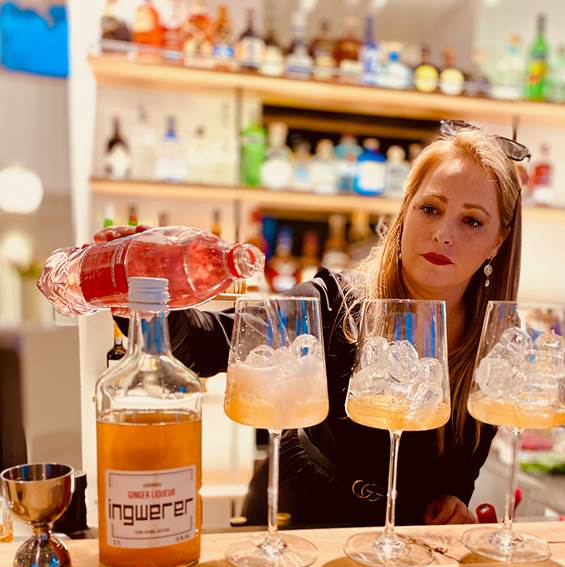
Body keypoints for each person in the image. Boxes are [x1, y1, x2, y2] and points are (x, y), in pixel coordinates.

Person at [107, 122, 526, 529]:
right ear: (405, 212)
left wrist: (453, 502)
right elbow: (205, 343)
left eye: (472, 221)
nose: (442, 234)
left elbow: (460, 476)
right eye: (430, 209)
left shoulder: (496, 338)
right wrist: (142, 292)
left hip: (403, 539)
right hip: (297, 520)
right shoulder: (333, 302)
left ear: (498, 240)